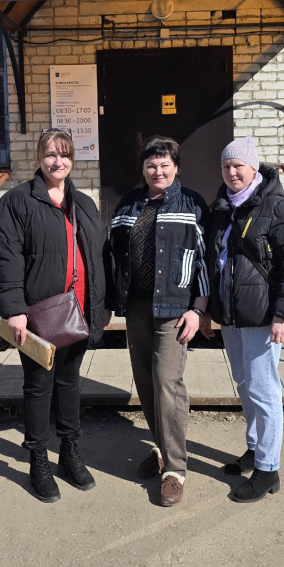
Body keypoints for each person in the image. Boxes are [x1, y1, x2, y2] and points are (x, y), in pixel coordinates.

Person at [0, 129, 106, 503]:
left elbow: (98, 256)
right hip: (40, 313)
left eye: (65, 154)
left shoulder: (84, 203)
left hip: (80, 310)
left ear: (73, 159)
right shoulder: (17, 202)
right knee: (39, 386)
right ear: (39, 157)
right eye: (51, 154)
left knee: (70, 382)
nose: (58, 162)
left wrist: (103, 305)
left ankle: (69, 453)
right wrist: (14, 311)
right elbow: (7, 259)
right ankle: (38, 460)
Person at [105, 135, 209, 507]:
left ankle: (175, 470)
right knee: (146, 382)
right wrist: (109, 302)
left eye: (165, 164)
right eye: (151, 164)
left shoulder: (191, 203)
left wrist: (198, 309)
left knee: (167, 382)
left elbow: (205, 258)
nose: (158, 171)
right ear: (143, 168)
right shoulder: (129, 203)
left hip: (175, 308)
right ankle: (163, 451)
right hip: (136, 306)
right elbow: (113, 253)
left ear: (176, 167)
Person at [206, 136, 284, 503]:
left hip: (264, 315)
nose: (232, 172)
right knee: (245, 383)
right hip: (231, 313)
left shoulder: (278, 207)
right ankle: (255, 448)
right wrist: (210, 310)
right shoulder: (221, 208)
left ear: (253, 168)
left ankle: (268, 469)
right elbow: (213, 261)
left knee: (264, 390)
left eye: (238, 165)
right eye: (226, 166)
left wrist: (283, 314)